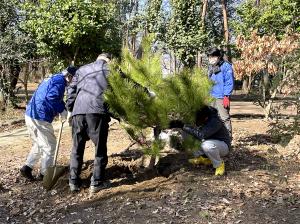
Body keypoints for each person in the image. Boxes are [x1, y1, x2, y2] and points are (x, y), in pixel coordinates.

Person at [20, 66, 77, 181]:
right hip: (40, 117)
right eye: (73, 79)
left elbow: (53, 96)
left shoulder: (54, 78)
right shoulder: (60, 82)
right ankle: (44, 174)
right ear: (69, 76)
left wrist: (62, 107)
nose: (73, 82)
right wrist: (62, 110)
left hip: (30, 114)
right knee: (50, 145)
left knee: (40, 143)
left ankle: (27, 167)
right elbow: (51, 97)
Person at [66, 53, 112, 193]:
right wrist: (147, 92)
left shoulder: (81, 70)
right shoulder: (111, 70)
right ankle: (96, 182)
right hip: (97, 112)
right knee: (99, 149)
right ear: (109, 60)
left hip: (78, 113)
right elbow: (128, 84)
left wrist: (70, 108)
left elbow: (71, 90)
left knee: (77, 148)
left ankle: (73, 182)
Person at [169, 106, 231, 175]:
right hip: (208, 142)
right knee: (186, 132)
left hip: (222, 146)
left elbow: (202, 135)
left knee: (206, 145)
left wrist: (183, 126)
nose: (196, 122)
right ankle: (202, 157)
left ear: (205, 118)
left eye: (198, 120)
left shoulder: (215, 121)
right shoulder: (203, 116)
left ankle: (219, 164)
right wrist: (180, 125)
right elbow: (192, 130)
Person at [207, 47, 234, 136]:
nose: (212, 59)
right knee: (212, 118)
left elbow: (229, 82)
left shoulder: (226, 66)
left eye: (214, 56)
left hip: (221, 97)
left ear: (219, 56)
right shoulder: (211, 67)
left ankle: (228, 139)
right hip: (211, 97)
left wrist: (226, 96)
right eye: (210, 57)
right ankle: (215, 137)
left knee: (224, 118)